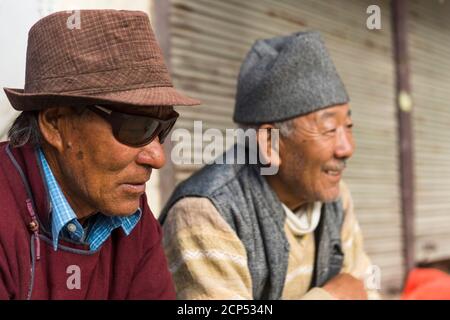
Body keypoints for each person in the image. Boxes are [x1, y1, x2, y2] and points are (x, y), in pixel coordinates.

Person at [160, 31, 380, 300]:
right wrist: (330, 297)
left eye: (348, 126)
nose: (347, 148)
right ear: (270, 142)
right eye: (329, 129)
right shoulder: (204, 214)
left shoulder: (335, 198)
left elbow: (366, 288)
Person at [0, 9, 200, 300]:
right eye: (136, 127)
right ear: (56, 123)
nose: (158, 158)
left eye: (163, 128)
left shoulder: (132, 216)